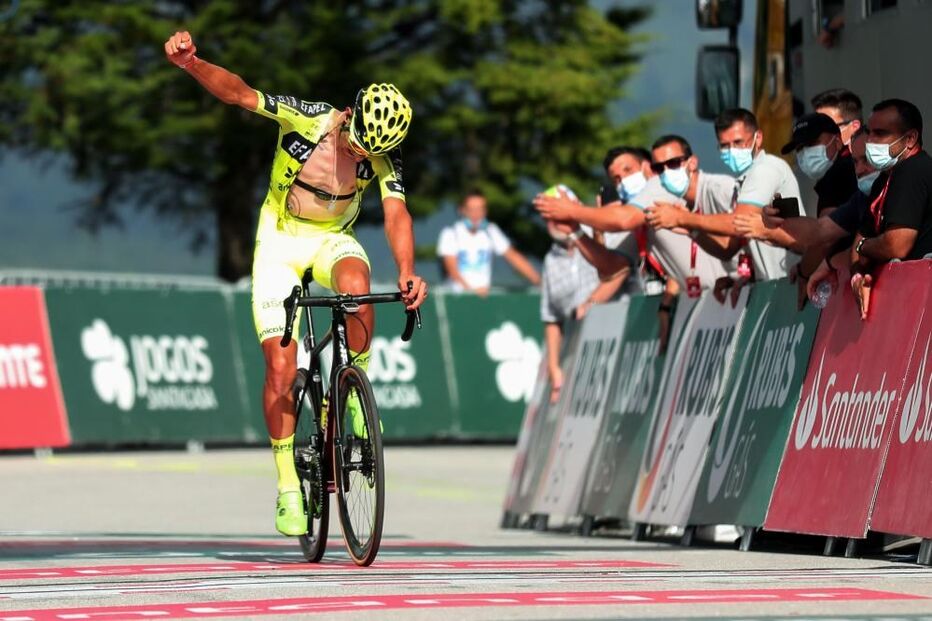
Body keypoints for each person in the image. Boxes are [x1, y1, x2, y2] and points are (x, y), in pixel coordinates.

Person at [164, 31, 428, 538]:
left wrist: (408, 271)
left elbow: (397, 216)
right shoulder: (310, 118)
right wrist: (192, 64)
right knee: (282, 368)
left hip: (332, 239)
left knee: (357, 285)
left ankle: (352, 398)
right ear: (351, 115)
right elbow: (241, 93)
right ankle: (287, 482)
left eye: (371, 153)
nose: (360, 155)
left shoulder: (383, 157)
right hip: (282, 240)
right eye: (357, 144)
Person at [650, 108, 802, 283]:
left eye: (738, 142)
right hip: (771, 283)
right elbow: (728, 249)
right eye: (724, 146)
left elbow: (739, 222)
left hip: (792, 278)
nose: (732, 151)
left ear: (757, 138)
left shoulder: (766, 168)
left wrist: (682, 218)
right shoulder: (742, 183)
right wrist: (693, 231)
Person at [539, 187, 625, 403]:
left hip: (617, 336)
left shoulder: (599, 232)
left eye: (557, 213)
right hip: (582, 349)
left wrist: (590, 304)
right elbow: (552, 317)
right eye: (548, 217)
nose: (553, 222)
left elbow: (620, 270)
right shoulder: (551, 259)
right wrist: (553, 366)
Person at [849, 98, 932, 318]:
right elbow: (859, 242)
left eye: (881, 133)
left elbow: (897, 245)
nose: (871, 141)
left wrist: (863, 247)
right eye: (871, 132)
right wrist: (858, 277)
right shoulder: (883, 180)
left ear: (911, 138)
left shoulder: (914, 170)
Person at [437, 190, 540, 294]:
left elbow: (513, 256)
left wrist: (539, 282)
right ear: (462, 210)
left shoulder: (491, 230)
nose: (476, 214)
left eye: (480, 209)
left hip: (483, 296)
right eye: (471, 209)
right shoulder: (450, 233)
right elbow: (452, 269)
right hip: (457, 297)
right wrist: (471, 292)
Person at [780, 112, 857, 217]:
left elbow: (825, 229)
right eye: (799, 148)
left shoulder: (842, 171)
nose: (805, 152)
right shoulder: (834, 171)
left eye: (812, 143)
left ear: (838, 141)